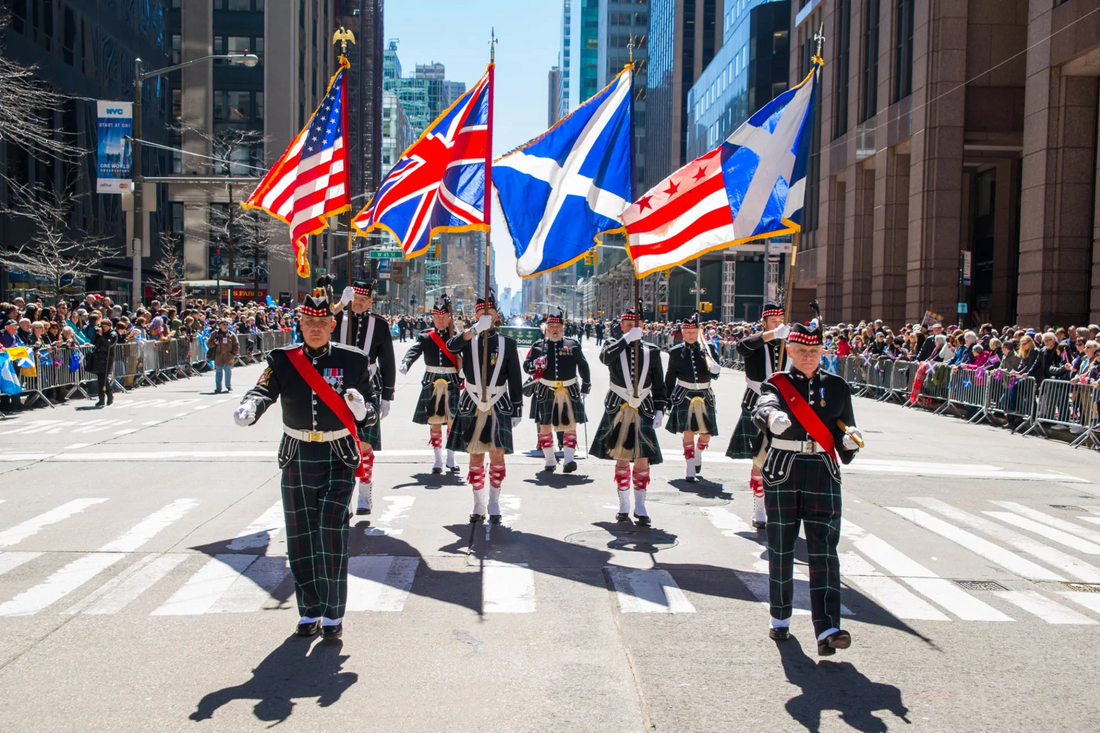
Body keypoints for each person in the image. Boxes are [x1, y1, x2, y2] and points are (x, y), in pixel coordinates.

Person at [234, 291, 378, 640]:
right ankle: (309, 610)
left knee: (330, 533)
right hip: (297, 453)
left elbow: (371, 408)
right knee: (300, 537)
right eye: (309, 322)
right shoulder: (283, 359)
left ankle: (332, 612)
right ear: (301, 323)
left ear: (332, 324)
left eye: (322, 322)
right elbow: (263, 389)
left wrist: (361, 410)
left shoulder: (353, 360)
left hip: (337, 454)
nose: (316, 328)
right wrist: (250, 407)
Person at [752, 319, 862, 656]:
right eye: (801, 351)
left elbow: (847, 423)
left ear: (822, 351)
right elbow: (763, 406)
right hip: (785, 469)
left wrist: (849, 439)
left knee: (824, 550)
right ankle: (780, 616)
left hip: (823, 470)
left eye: (814, 351)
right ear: (791, 351)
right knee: (783, 547)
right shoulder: (778, 383)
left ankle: (828, 626)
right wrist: (772, 418)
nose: (808, 357)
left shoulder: (838, 385)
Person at [445, 293, 524, 524]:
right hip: (472, 401)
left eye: (489, 313)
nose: (486, 317)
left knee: (498, 454)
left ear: (497, 316)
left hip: (498, 401)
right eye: (481, 314)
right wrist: (475, 330)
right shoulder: (468, 338)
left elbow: (515, 378)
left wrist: (517, 408)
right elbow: (451, 346)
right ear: (475, 316)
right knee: (476, 455)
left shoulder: (507, 343)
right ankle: (478, 503)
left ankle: (494, 501)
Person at [591, 307, 666, 526]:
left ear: (642, 325)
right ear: (621, 326)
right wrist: (625, 339)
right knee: (622, 456)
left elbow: (659, 383)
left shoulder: (652, 350)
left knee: (643, 457)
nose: (633, 327)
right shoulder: (612, 346)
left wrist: (661, 408)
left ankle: (640, 505)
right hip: (619, 406)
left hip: (643, 406)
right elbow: (605, 358)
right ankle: (623, 504)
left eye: (636, 323)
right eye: (628, 324)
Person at [333, 280, 395, 516]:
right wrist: (340, 304)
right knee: (339, 442)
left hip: (368, 387)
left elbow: (387, 360)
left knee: (365, 444)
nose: (357, 304)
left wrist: (388, 395)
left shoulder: (379, 325)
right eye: (354, 299)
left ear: (370, 301)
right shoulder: (337, 317)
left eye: (362, 300)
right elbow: (313, 325)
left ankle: (364, 493)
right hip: (336, 386)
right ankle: (345, 496)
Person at [726, 301, 788, 529]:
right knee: (759, 460)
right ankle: (759, 507)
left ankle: (779, 507)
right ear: (764, 322)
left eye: (781, 321)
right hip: (757, 403)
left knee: (785, 459)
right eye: (774, 321)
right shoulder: (756, 342)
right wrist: (771, 334)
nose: (779, 324)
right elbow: (741, 346)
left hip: (786, 405)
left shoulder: (789, 343)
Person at [523, 308, 591, 474]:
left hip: (569, 389)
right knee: (545, 426)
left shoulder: (573, 344)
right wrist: (535, 364)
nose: (555, 330)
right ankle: (550, 460)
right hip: (546, 389)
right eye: (551, 326)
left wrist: (586, 385)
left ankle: (569, 460)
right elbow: (526, 367)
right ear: (546, 328)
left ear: (563, 327)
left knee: (570, 425)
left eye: (558, 327)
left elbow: (583, 365)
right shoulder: (538, 346)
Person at [400, 296, 462, 475]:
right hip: (432, 380)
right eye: (437, 317)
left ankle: (451, 458)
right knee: (435, 422)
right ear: (433, 318)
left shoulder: (456, 337)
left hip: (452, 380)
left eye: (444, 317)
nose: (440, 320)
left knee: (452, 421)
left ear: (449, 318)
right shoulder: (426, 336)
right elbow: (415, 350)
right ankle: (437, 460)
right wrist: (406, 362)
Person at [663, 312, 721, 482]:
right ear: (682, 332)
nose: (690, 335)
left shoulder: (707, 349)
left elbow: (715, 374)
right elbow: (670, 377)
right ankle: (689, 467)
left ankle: (698, 454)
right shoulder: (675, 352)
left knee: (707, 433)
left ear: (698, 332)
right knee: (688, 430)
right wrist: (666, 400)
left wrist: (715, 369)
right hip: (684, 394)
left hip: (704, 393)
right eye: (687, 332)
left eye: (693, 332)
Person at [89, 320, 119, 407]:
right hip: (98, 358)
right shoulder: (100, 333)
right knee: (100, 379)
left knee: (104, 378)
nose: (104, 328)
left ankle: (109, 395)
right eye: (103, 326)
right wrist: (96, 334)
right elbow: (93, 342)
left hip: (107, 358)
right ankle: (101, 399)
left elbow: (109, 344)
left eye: (105, 326)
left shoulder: (113, 334)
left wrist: (102, 336)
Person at [207, 319, 240, 393]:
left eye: (227, 324)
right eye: (224, 324)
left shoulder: (231, 335)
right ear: (220, 325)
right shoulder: (214, 334)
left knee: (228, 371)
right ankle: (218, 387)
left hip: (229, 356)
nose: (226, 326)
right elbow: (209, 343)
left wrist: (233, 353)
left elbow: (236, 345)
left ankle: (228, 386)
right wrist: (215, 343)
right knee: (218, 372)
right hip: (218, 355)